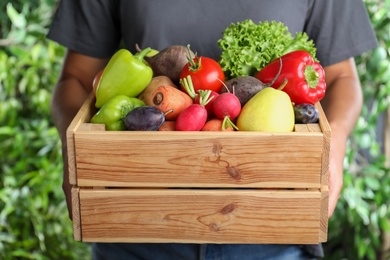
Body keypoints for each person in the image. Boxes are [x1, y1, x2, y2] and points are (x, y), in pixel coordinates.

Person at [47, 1, 378, 259]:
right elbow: (76, 79)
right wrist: (74, 148)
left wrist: (335, 145)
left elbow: (341, 80)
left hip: (271, 234)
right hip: (137, 229)